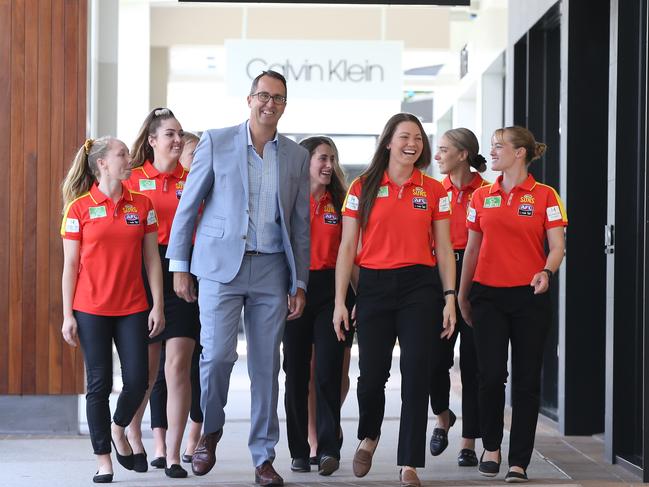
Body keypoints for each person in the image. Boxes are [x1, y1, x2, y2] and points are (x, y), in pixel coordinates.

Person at [166, 69, 310, 486]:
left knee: (267, 365)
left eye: (278, 98)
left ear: (285, 105)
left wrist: (299, 282)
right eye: (263, 95)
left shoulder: (296, 157)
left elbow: (299, 225)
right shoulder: (217, 140)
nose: (270, 104)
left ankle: (263, 458)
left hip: (271, 270)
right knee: (217, 357)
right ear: (249, 100)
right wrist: (179, 265)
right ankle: (210, 430)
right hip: (218, 268)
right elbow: (189, 206)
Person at [333, 113, 457, 487]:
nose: (413, 143)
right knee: (372, 376)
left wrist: (449, 297)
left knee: (417, 373)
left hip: (421, 287)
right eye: (405, 136)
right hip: (373, 286)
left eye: (418, 138)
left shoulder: (434, 190)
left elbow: (446, 249)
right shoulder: (362, 186)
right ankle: (369, 435)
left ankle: (409, 463)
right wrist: (341, 300)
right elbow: (347, 247)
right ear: (388, 141)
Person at [458, 126, 567, 483]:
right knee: (490, 376)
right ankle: (491, 445)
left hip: (529, 296)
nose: (492, 152)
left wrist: (546, 272)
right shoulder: (482, 197)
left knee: (525, 380)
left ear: (520, 152)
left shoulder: (545, 196)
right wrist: (461, 293)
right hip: (486, 295)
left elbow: (557, 247)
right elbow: (472, 249)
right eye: (491, 146)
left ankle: (518, 461)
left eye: (499, 146)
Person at [60, 137, 164, 483]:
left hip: (133, 306)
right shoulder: (78, 209)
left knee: (137, 380)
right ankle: (103, 458)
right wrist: (67, 315)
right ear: (102, 163)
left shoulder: (142, 204)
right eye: (122, 154)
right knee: (98, 385)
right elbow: (70, 265)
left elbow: (152, 259)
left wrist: (158, 305)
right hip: (90, 309)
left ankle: (119, 428)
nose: (128, 158)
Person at [125, 107, 200, 479]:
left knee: (178, 366)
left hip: (183, 271)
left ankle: (172, 454)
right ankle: (133, 434)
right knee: (147, 370)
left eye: (179, 134)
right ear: (152, 140)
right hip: (141, 273)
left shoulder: (194, 179)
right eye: (169, 134)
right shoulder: (133, 179)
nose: (176, 140)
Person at [282, 136, 353, 476]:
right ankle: (298, 449)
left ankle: (327, 449)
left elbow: (351, 254)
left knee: (328, 372)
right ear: (305, 162)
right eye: (322, 158)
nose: (329, 165)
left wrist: (357, 297)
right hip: (293, 289)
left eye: (333, 159)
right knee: (295, 373)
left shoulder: (340, 202)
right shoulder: (287, 200)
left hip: (331, 292)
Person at [428, 128, 489, 466]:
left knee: (474, 364)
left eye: (443, 150)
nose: (437, 156)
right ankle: (442, 415)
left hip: (478, 275)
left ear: (463, 154)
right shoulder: (436, 191)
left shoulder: (487, 191)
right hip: (442, 273)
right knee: (434, 358)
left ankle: (469, 440)